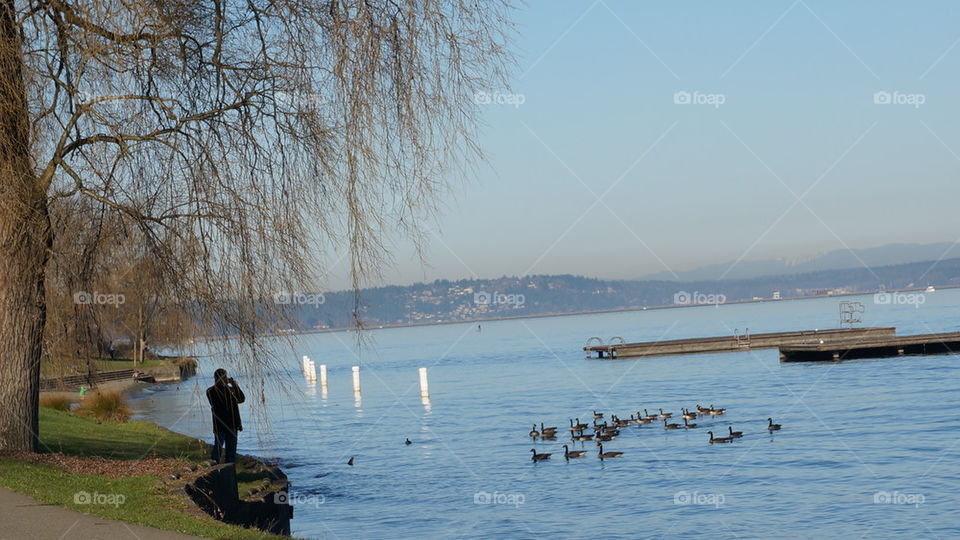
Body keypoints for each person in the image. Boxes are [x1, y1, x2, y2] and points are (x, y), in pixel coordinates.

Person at [206, 368, 245, 464]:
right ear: (216, 379)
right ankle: (214, 468)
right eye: (223, 378)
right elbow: (217, 401)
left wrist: (235, 386)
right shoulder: (211, 391)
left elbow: (241, 399)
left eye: (225, 377)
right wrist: (227, 387)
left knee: (231, 452)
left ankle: (230, 469)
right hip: (220, 425)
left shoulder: (231, 390)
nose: (225, 379)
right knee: (218, 450)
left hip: (233, 424)